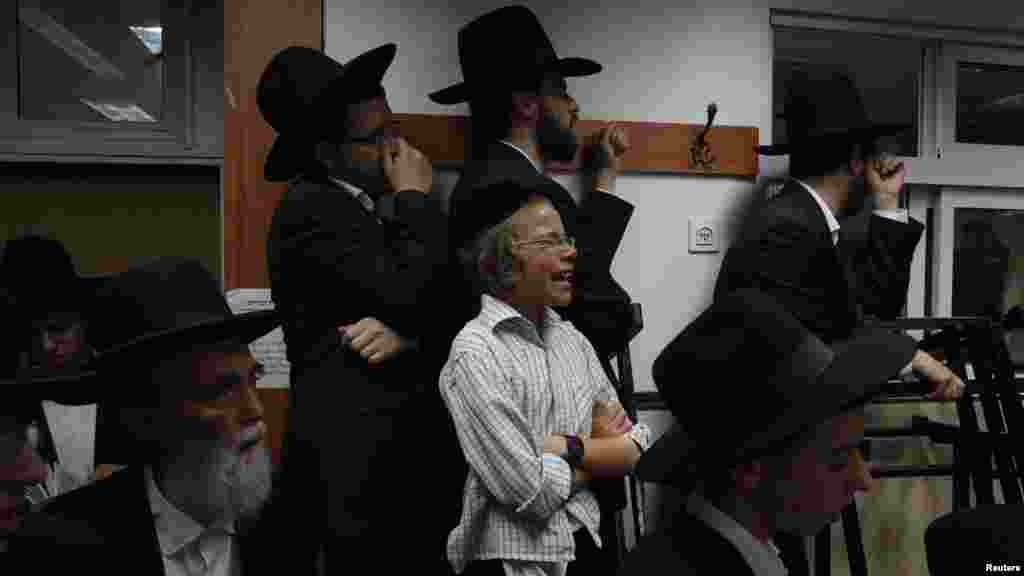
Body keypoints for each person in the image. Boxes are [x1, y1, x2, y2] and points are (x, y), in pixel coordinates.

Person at [430, 6, 636, 562]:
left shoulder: (493, 180)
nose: (574, 107)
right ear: (526, 103)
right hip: (531, 541)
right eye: (562, 91)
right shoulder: (508, 190)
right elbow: (603, 311)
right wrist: (593, 450)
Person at [258, 44, 454, 573]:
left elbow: (450, 302)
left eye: (392, 128)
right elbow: (420, 294)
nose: (396, 148)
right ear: (326, 153)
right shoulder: (313, 211)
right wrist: (415, 197)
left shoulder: (363, 206)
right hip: (356, 476)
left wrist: (411, 337)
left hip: (389, 470)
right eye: (375, 139)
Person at [6, 256, 281, 574]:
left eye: (252, 380)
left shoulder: (292, 529)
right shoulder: (56, 547)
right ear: (149, 414)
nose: (255, 411)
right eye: (221, 390)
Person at [619, 288, 920, 575]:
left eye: (860, 451)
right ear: (750, 469)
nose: (863, 480)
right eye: (838, 458)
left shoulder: (746, 547)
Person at [440, 179, 651, 576]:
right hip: (511, 563)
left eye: (567, 239)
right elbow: (529, 491)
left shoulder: (572, 340)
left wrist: (564, 447)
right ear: (501, 260)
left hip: (585, 546)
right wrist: (598, 454)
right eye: (549, 242)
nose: (571, 251)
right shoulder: (475, 353)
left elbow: (636, 443)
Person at [0, 234, 100, 498]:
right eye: (33, 333)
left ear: (85, 325)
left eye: (57, 330)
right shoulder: (12, 399)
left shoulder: (123, 392)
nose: (45, 345)